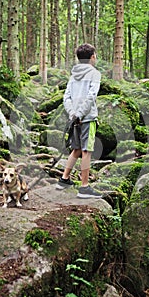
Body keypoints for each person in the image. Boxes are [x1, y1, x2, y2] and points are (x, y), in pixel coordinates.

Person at [56, 43, 102, 199]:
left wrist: (73, 113)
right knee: (86, 151)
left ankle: (64, 179)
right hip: (87, 118)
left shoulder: (73, 75)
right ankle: (84, 187)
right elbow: (91, 96)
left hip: (75, 117)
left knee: (76, 149)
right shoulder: (95, 74)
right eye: (95, 55)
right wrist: (80, 114)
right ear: (92, 57)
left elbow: (66, 97)